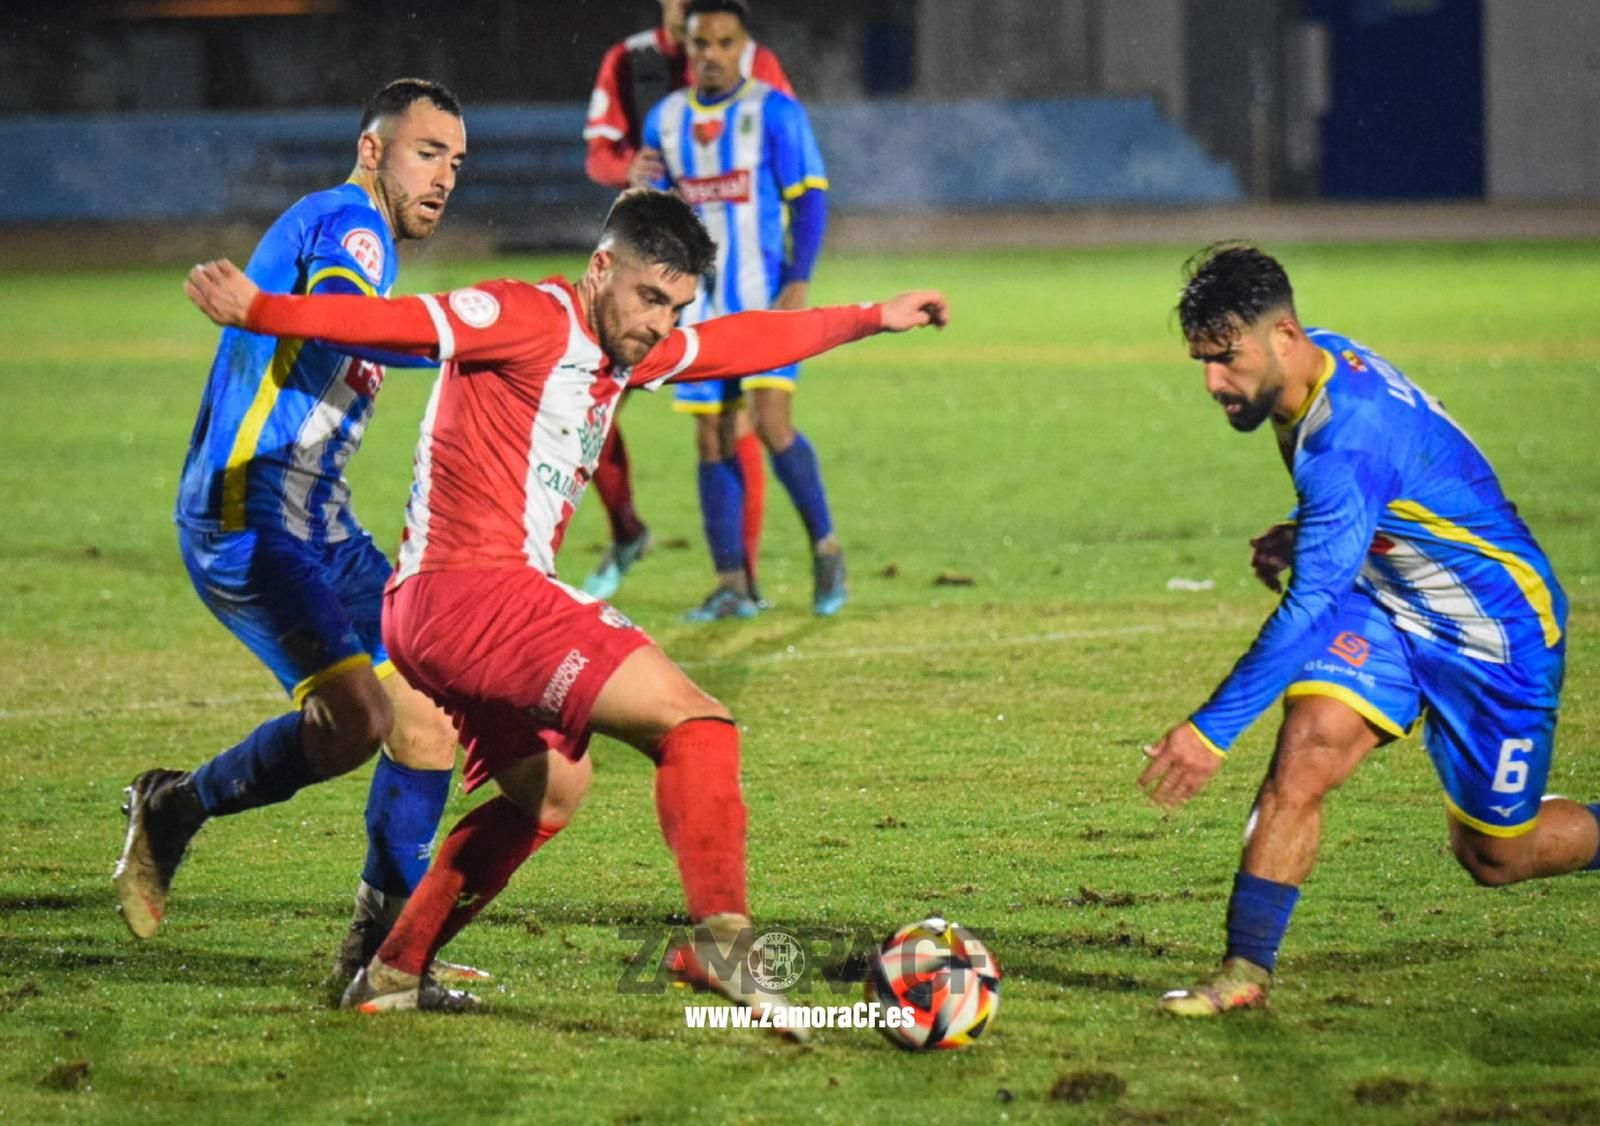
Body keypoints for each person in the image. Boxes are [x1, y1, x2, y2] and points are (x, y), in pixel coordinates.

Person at [181, 188, 949, 1020]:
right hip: (479, 593)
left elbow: (737, 343)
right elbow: (406, 322)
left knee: (550, 791)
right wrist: (263, 308)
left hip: (430, 611)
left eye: (675, 305)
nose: (659, 322)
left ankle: (394, 973)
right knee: (696, 724)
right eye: (649, 297)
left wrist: (874, 315)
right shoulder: (529, 315)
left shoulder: (624, 350)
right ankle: (723, 942)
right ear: (601, 268)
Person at [1138, 244, 1594, 1016]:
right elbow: (1405, 485)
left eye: (1226, 358)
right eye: (1202, 363)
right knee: (1306, 746)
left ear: (1282, 334)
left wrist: (1210, 731)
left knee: (1493, 855)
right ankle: (1245, 973)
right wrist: (1315, 532)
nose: (1214, 382)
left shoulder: (1345, 440)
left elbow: (1310, 601)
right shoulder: (1321, 365)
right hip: (1388, 605)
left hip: (1495, 636)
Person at [114, 79, 487, 989]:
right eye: (426, 152)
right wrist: (475, 339)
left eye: (457, 163)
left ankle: (384, 963)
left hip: (317, 518)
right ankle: (178, 808)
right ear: (372, 149)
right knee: (361, 720)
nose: (444, 179)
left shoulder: (368, 239)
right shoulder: (349, 224)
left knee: (427, 725)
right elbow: (353, 312)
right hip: (251, 513)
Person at [579, 0, 791, 601]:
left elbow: (785, 142)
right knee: (589, 402)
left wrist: (789, 263)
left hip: (732, 270)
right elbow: (598, 152)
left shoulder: (754, 60)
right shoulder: (632, 59)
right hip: (643, 263)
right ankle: (627, 531)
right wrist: (629, 166)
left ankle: (739, 580)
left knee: (733, 418)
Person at [644, 0, 841, 620]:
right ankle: (733, 583)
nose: (712, 55)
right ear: (689, 49)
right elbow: (652, 207)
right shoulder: (666, 121)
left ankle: (826, 547)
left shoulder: (773, 112)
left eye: (725, 43)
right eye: (702, 44)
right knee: (711, 436)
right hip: (698, 307)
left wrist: (800, 280)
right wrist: (638, 183)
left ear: (742, 48)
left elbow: (808, 201)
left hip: (763, 299)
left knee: (770, 419)